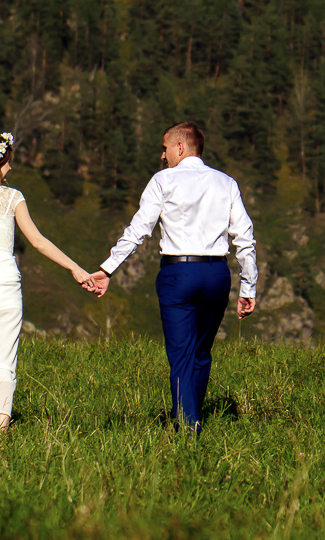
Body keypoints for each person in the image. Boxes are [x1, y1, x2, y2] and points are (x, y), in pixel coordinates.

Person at [88, 121, 257, 433]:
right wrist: (249, 285)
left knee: (180, 354)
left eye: (165, 148)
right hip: (217, 273)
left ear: (180, 147)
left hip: (178, 272)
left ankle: (188, 427)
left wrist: (108, 268)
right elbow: (244, 239)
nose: (162, 155)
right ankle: (194, 414)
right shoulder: (226, 183)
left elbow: (139, 229)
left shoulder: (162, 180)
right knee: (202, 352)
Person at [0, 129, 96, 430]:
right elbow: (37, 241)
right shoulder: (12, 197)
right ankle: (0, 424)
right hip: (4, 285)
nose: (10, 168)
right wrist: (75, 268)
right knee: (3, 355)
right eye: (7, 162)